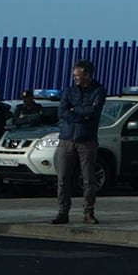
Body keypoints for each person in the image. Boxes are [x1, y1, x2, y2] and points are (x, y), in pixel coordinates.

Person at [50, 60, 106, 225]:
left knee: (88, 179)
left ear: (87, 75)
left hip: (86, 140)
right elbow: (62, 112)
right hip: (66, 139)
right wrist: (80, 114)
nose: (75, 78)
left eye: (78, 75)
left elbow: (94, 111)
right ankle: (63, 212)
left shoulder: (99, 91)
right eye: (74, 75)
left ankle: (88, 212)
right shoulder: (69, 91)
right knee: (63, 179)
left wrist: (75, 110)